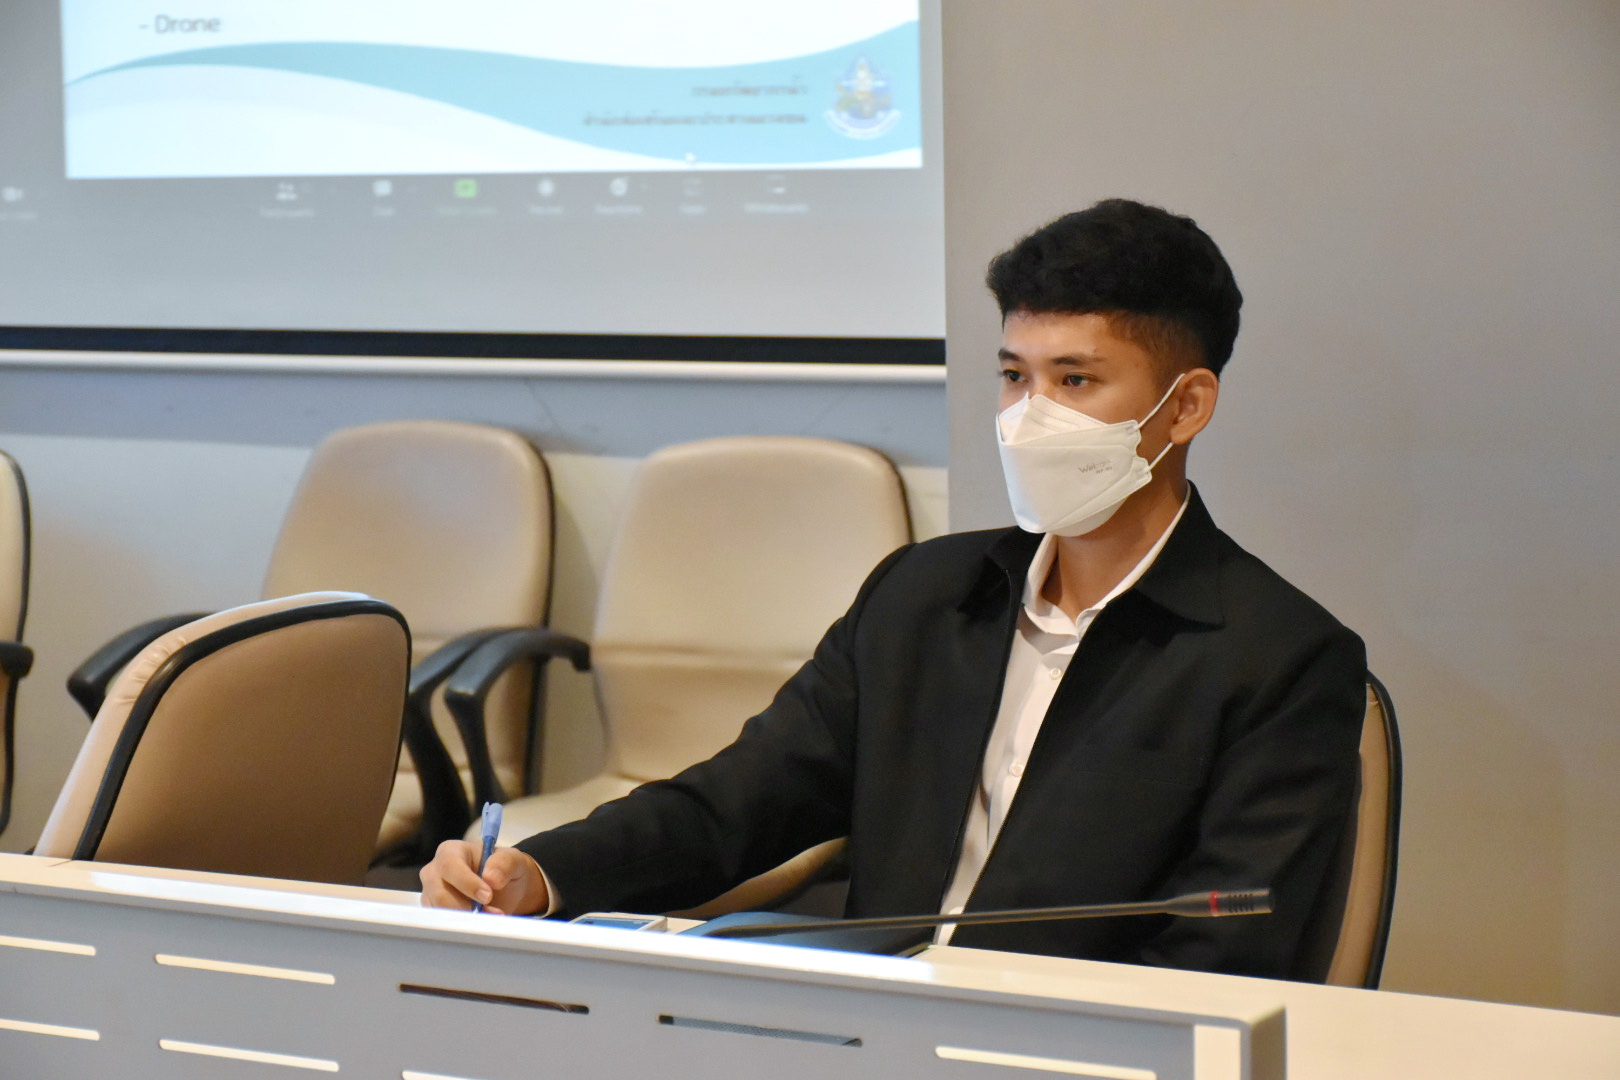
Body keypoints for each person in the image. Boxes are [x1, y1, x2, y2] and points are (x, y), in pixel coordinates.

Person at [422, 198, 1366, 980]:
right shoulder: (924, 595)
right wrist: (540, 872)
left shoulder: (1279, 659)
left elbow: (1232, 952)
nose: (1028, 416)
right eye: (1014, 376)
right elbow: (739, 802)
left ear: (1185, 406)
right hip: (872, 1029)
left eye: (1075, 380)